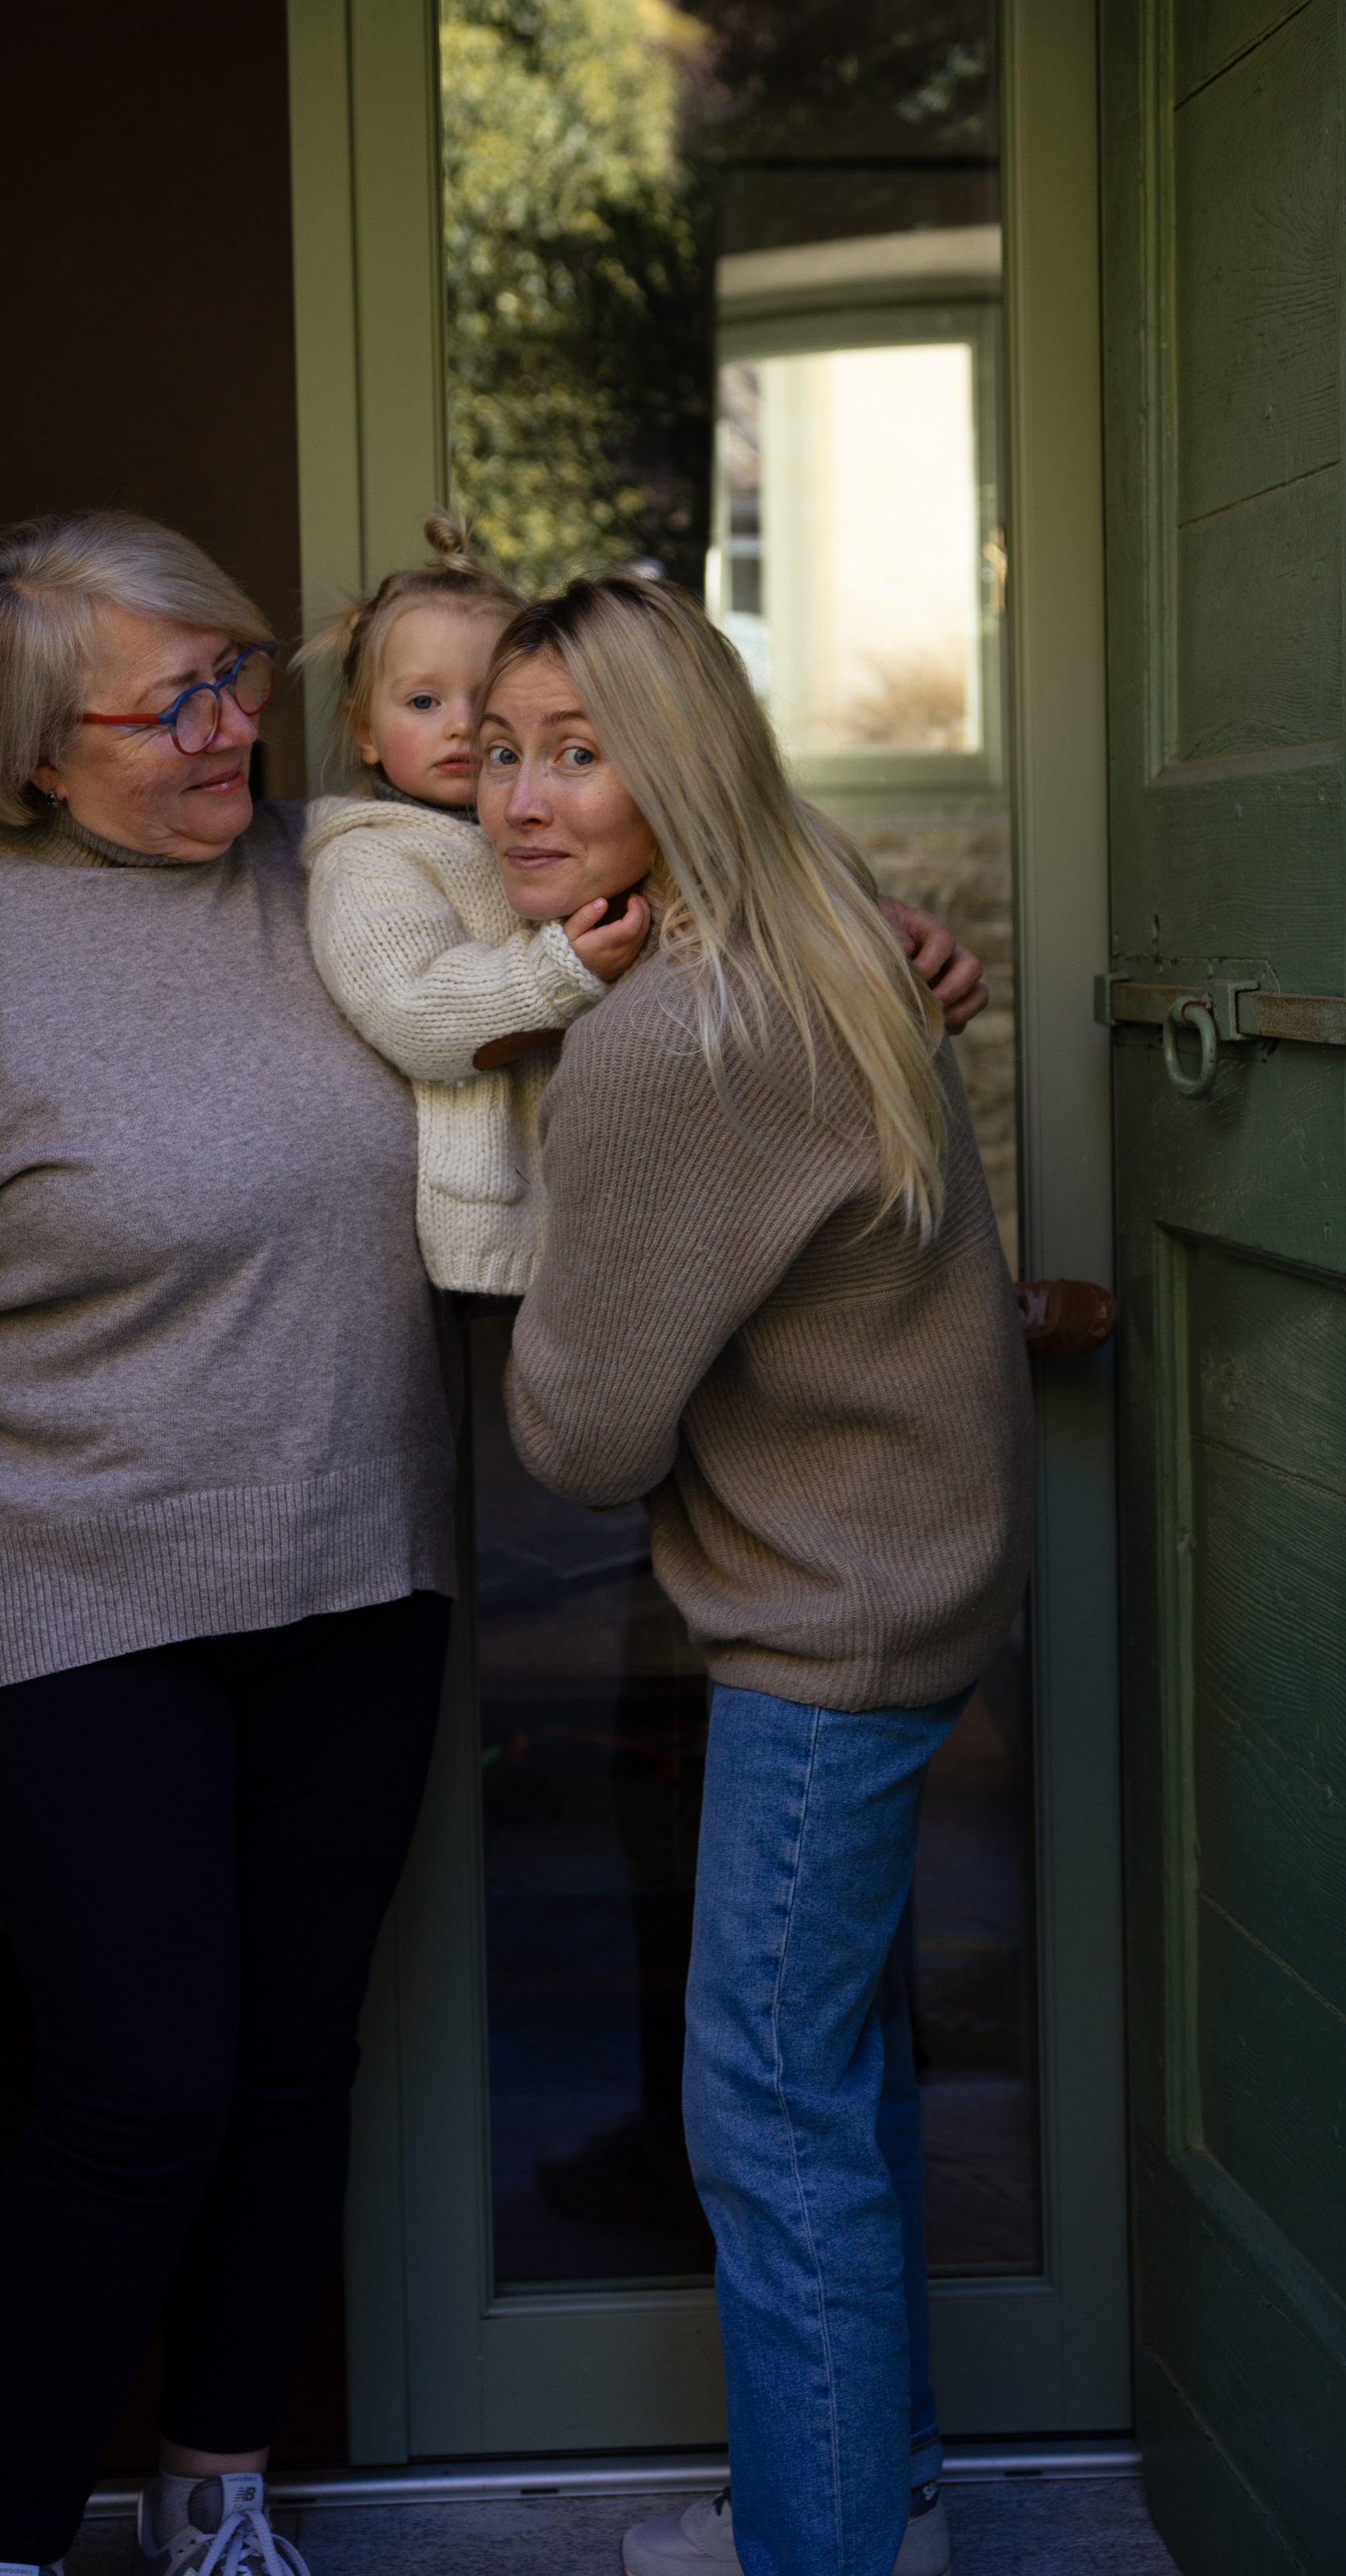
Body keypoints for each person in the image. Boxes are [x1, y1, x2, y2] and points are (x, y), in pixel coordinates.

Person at [0, 511, 457, 2576]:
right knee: (144, 2085)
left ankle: (219, 2491)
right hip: (73, 1609)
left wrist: (885, 950)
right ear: (30, 745)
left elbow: (631, 903)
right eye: (169, 700)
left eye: (240, 674)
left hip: (358, 1583)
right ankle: (2, 2532)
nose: (228, 728)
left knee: (292, 2068)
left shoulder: (351, 882)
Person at [478, 574, 1035, 2576]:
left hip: (821, 1631)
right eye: (497, 749)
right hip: (907, 1581)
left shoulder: (665, 1037)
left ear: (675, 763)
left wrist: (535, 1105)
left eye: (576, 748)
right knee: (837, 2077)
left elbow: (576, 1437)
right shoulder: (819, 914)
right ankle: (867, 2504)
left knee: (763, 2121)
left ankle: (818, 2549)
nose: (521, 799)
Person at [303, 519, 990, 1303]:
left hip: (632, 1225)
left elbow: (735, 829)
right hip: (500, 1245)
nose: (459, 726)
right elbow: (413, 1012)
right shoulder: (367, 857)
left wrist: (862, 920)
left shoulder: (589, 831)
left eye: (572, 750)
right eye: (426, 702)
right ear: (363, 729)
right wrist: (557, 971)